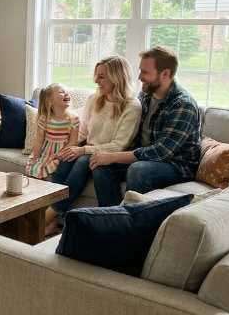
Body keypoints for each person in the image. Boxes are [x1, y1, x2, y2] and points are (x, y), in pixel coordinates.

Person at [88, 45, 201, 208]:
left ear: (165, 74)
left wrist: (112, 155)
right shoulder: (146, 96)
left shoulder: (183, 105)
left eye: (145, 72)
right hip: (146, 159)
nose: (139, 77)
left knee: (138, 169)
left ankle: (130, 221)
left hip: (177, 166)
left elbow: (160, 151)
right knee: (102, 167)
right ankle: (112, 220)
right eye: (140, 70)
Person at [46, 56, 142, 229]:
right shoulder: (94, 98)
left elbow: (118, 145)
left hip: (115, 160)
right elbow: (83, 132)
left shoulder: (132, 106)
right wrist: (68, 148)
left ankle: (49, 213)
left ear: (117, 77)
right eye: (96, 75)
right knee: (66, 158)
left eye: (101, 76)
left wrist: (82, 151)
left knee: (83, 159)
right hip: (90, 152)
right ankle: (52, 221)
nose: (96, 80)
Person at [25, 83, 80, 235]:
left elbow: (73, 142)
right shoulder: (44, 118)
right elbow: (38, 141)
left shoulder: (73, 118)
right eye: (62, 92)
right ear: (50, 101)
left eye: (67, 91)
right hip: (45, 153)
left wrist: (59, 154)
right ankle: (42, 218)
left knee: (50, 182)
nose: (66, 93)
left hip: (62, 154)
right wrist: (34, 158)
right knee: (36, 179)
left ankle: (49, 222)